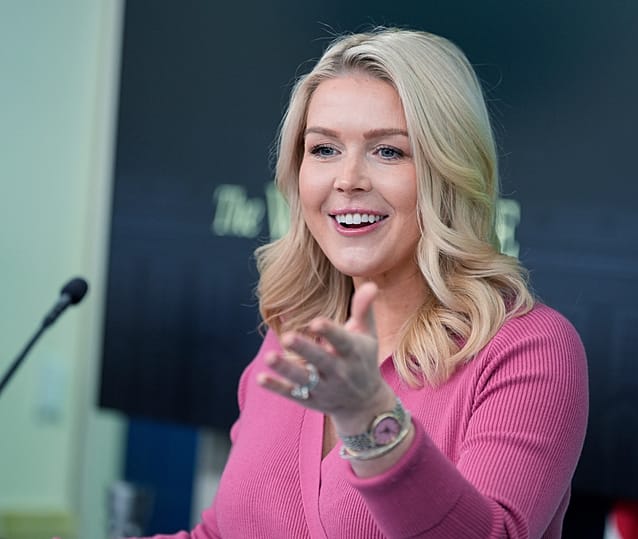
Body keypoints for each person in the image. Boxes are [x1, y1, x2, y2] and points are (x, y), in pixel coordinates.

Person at [140, 27, 588, 538]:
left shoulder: (528, 349)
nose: (347, 178)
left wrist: (372, 422)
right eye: (324, 149)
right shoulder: (293, 337)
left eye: (389, 152)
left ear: (448, 172)